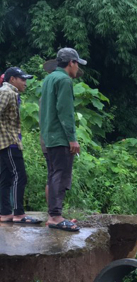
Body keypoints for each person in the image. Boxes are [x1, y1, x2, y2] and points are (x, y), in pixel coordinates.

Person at [40, 48, 87, 232]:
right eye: (77, 64)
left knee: (53, 175)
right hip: (60, 138)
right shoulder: (64, 80)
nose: (77, 70)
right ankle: (56, 216)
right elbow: (65, 112)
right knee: (60, 175)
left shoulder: (49, 78)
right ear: (71, 63)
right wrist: (72, 139)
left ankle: (53, 214)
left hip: (48, 135)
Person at [0, 67, 42, 224]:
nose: (25, 82)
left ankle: (5, 214)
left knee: (5, 178)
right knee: (19, 176)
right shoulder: (7, 92)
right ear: (12, 80)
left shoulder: (10, 92)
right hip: (9, 142)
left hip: (6, 143)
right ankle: (18, 214)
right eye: (22, 79)